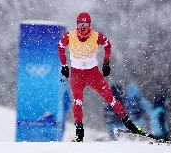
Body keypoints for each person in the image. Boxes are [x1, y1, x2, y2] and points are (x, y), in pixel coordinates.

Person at [58, 12, 144, 142]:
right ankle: (79, 133)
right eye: (81, 24)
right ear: (77, 25)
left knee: (110, 98)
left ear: (89, 25)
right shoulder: (70, 36)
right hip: (77, 75)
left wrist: (106, 64)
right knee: (78, 102)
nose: (83, 28)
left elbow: (108, 45)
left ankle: (129, 124)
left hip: (93, 74)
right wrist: (64, 65)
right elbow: (60, 46)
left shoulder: (96, 36)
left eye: (86, 25)